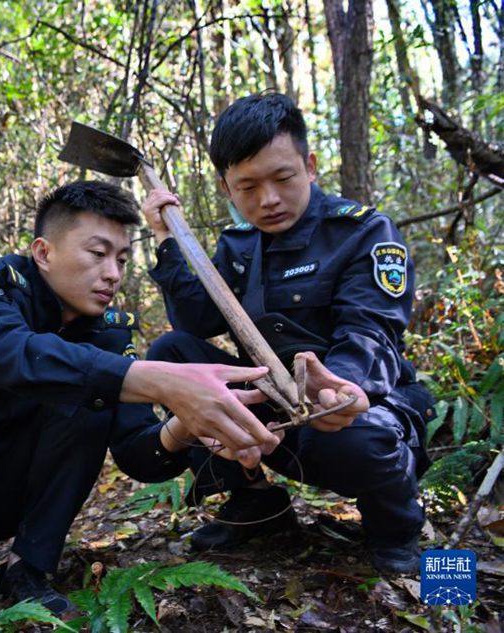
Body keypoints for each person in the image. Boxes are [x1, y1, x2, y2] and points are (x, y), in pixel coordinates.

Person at [0, 180, 292, 616]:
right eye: (97, 253)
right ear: (43, 252)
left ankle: (27, 569)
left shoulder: (112, 334)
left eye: (123, 260)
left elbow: (138, 454)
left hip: (26, 492)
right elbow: (10, 354)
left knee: (90, 398)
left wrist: (186, 425)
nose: (112, 274)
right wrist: (158, 378)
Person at [140, 93, 434, 574]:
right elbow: (197, 323)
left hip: (355, 407)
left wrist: (337, 387)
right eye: (248, 187)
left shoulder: (363, 232)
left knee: (358, 436)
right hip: (273, 413)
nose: (268, 200)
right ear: (226, 188)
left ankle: (397, 531)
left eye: (283, 178)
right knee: (174, 356)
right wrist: (167, 243)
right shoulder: (238, 247)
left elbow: (371, 332)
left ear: (310, 166)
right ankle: (255, 503)